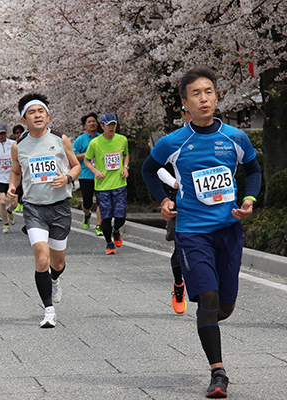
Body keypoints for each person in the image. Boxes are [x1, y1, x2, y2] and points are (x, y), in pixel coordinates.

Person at [141, 66, 262, 398]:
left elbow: (252, 170)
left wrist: (249, 199)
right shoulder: (174, 142)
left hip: (228, 230)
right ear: (185, 103)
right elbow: (149, 169)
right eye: (196, 93)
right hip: (192, 231)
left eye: (208, 91)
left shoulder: (235, 138)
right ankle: (218, 373)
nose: (204, 98)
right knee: (207, 298)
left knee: (223, 308)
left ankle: (181, 278)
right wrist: (164, 201)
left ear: (217, 97)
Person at [7, 93, 81, 328]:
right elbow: (16, 172)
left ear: (48, 116)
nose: (37, 115)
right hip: (33, 208)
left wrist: (67, 177)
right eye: (32, 112)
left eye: (41, 111)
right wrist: (12, 187)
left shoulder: (61, 139)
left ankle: (55, 279)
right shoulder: (19, 146)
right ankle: (49, 311)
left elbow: (76, 165)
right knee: (42, 258)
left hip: (59, 207)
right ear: (23, 120)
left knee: (57, 263)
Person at [157, 106, 192, 315]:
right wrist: (174, 183)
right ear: (183, 114)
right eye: (188, 110)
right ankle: (179, 285)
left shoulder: (219, 136)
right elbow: (156, 167)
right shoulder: (173, 140)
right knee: (180, 250)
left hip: (210, 206)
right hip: (180, 203)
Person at [84, 113, 129, 255]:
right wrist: (95, 171)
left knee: (121, 216)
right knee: (106, 217)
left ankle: (116, 230)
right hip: (102, 186)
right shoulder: (95, 143)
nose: (111, 127)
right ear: (102, 126)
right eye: (108, 125)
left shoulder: (122, 140)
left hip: (120, 184)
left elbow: (126, 154)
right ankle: (109, 243)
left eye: (114, 124)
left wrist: (125, 167)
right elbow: (86, 160)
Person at [73, 113, 103, 235]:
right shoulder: (80, 140)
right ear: (85, 126)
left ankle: (99, 226)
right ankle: (87, 214)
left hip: (101, 174)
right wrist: (88, 154)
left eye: (94, 121)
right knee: (87, 202)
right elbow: (74, 157)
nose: (92, 123)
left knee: (101, 201)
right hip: (86, 174)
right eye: (89, 122)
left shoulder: (102, 138)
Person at [11, 124, 25, 213]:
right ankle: (17, 204)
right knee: (17, 186)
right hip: (15, 168)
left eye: (21, 132)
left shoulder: (26, 143)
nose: (19, 134)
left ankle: (22, 203)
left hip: (24, 168)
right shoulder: (13, 145)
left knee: (23, 186)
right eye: (17, 133)